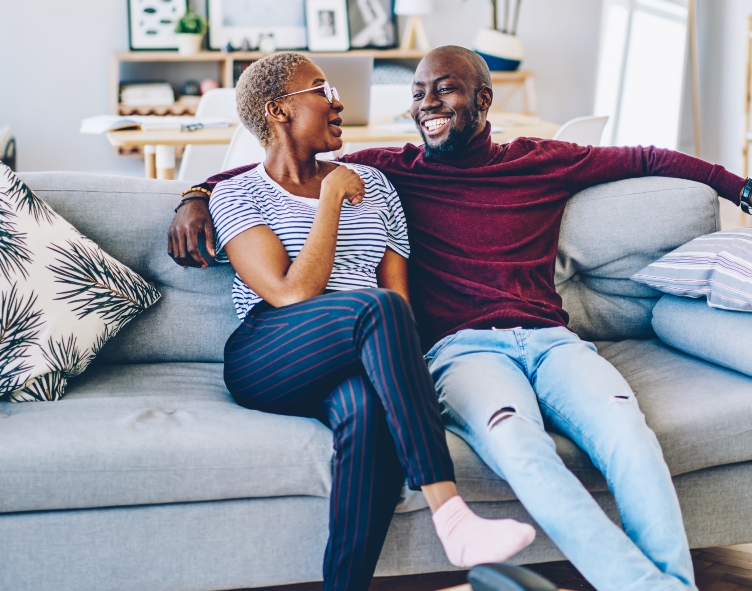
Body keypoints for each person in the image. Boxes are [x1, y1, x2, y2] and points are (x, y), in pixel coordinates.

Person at [170, 46, 752, 591]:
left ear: (484, 101)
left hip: (553, 342)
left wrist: (748, 190)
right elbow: (277, 178)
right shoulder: (387, 170)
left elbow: (650, 157)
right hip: (457, 354)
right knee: (518, 447)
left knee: (628, 437)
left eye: (443, 90)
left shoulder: (534, 161)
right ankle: (575, 560)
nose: (424, 104)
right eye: (417, 93)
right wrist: (195, 193)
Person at [208, 52, 536, 591]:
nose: (338, 100)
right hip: (270, 353)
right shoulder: (237, 193)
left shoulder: (376, 186)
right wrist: (331, 198)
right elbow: (292, 294)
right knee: (377, 308)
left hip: (358, 350)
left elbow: (400, 303)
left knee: (368, 414)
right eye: (321, 89)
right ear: (278, 111)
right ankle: (451, 514)